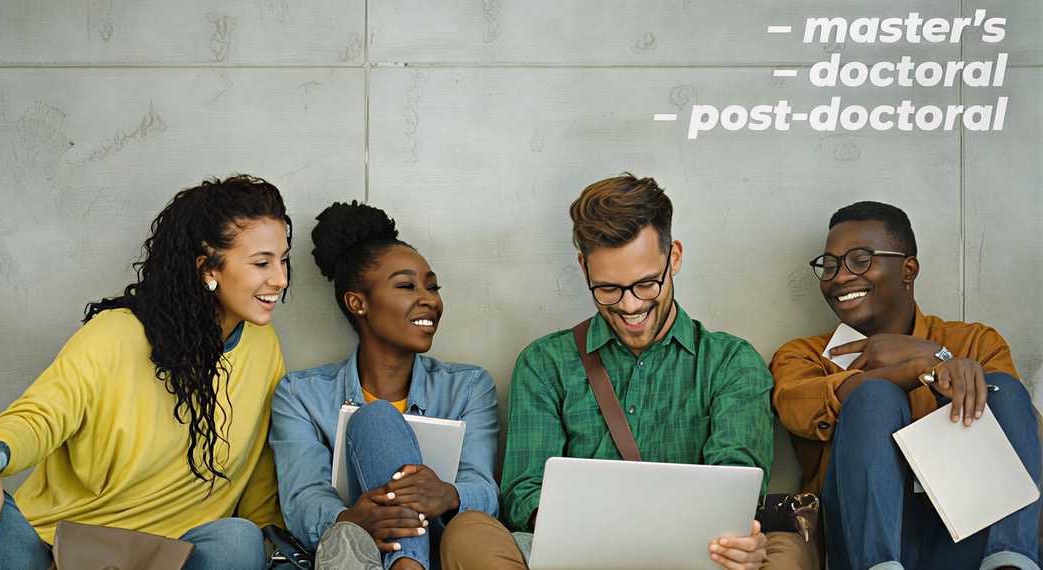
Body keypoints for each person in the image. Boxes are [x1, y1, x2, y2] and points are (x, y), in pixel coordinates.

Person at [440, 173, 815, 570]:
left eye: (647, 284)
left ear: (675, 258)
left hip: (692, 557)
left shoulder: (731, 363)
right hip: (574, 556)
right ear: (584, 267)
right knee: (468, 531)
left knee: (786, 551)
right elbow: (523, 494)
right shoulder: (545, 363)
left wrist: (735, 544)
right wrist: (603, 532)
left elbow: (736, 489)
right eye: (608, 289)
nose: (631, 306)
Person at [0, 174, 291, 570]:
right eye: (261, 263)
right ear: (208, 268)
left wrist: (269, 540)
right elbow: (43, 412)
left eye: (283, 259)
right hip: (56, 554)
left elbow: (260, 467)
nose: (281, 279)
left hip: (174, 558)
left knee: (238, 539)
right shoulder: (115, 334)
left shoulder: (262, 345)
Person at [770, 200, 1042, 570]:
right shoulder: (803, 354)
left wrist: (938, 357)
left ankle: (1011, 562)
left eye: (860, 259)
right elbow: (796, 407)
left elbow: (1019, 429)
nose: (839, 276)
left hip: (967, 531)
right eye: (829, 265)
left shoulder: (974, 342)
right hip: (866, 538)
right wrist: (917, 368)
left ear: (908, 269)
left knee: (1002, 390)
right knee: (872, 395)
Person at [270, 200, 499, 570]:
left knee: (376, 419)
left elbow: (485, 488)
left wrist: (447, 494)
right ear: (357, 302)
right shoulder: (301, 395)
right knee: (375, 420)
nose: (430, 300)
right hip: (347, 557)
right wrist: (353, 519)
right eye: (407, 286)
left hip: (441, 554)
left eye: (433, 286)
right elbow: (303, 498)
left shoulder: (469, 387)